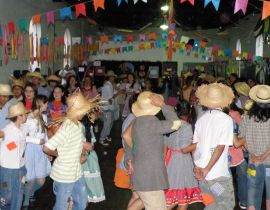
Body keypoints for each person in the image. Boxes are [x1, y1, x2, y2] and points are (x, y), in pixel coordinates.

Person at [124, 91, 181, 210]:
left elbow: (129, 142)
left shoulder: (136, 122)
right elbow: (176, 124)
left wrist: (129, 160)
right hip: (151, 178)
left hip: (141, 175)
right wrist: (163, 105)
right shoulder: (151, 122)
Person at [43, 93, 95, 210]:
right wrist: (58, 154)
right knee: (61, 206)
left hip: (76, 171)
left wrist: (83, 148)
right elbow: (46, 147)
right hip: (64, 175)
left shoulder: (79, 125)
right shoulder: (66, 128)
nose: (85, 112)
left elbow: (79, 140)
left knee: (81, 203)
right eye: (83, 110)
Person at [193, 83, 235, 210]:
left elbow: (194, 146)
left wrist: (198, 168)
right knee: (225, 205)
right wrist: (207, 169)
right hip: (217, 175)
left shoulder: (201, 119)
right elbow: (220, 147)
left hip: (202, 175)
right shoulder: (226, 120)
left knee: (211, 204)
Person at [234, 85, 270, 210]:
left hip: (253, 162)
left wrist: (253, 155)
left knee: (252, 191)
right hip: (269, 163)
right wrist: (263, 156)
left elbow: (241, 138)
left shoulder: (247, 116)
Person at [164, 101, 202, 210]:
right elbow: (184, 149)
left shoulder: (170, 124)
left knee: (174, 197)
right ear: (189, 112)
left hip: (170, 160)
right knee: (182, 198)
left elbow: (165, 145)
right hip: (182, 162)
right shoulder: (186, 126)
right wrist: (200, 143)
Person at [22, 95, 51, 209]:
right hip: (30, 150)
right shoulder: (28, 118)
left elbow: (46, 136)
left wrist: (48, 151)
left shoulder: (44, 117)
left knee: (41, 180)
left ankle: (28, 193)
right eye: (46, 103)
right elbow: (23, 137)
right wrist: (37, 141)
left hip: (41, 151)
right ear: (40, 103)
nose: (47, 105)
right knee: (30, 178)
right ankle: (26, 201)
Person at [0, 102, 28, 210]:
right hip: (6, 170)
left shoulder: (24, 127)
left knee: (19, 195)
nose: (26, 115)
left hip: (20, 168)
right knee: (6, 195)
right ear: (19, 116)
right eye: (24, 114)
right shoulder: (7, 130)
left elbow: (24, 139)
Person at [81, 112, 106, 203]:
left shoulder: (90, 126)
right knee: (86, 176)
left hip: (90, 155)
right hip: (86, 155)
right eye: (94, 113)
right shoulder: (83, 127)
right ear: (89, 115)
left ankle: (89, 196)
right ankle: (86, 195)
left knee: (90, 176)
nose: (97, 114)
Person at [99, 71, 117, 146]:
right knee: (107, 124)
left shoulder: (109, 84)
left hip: (109, 107)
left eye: (113, 77)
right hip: (107, 108)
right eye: (112, 76)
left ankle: (106, 136)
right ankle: (101, 138)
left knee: (110, 122)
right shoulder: (108, 85)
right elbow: (110, 98)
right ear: (110, 77)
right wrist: (118, 93)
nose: (113, 78)